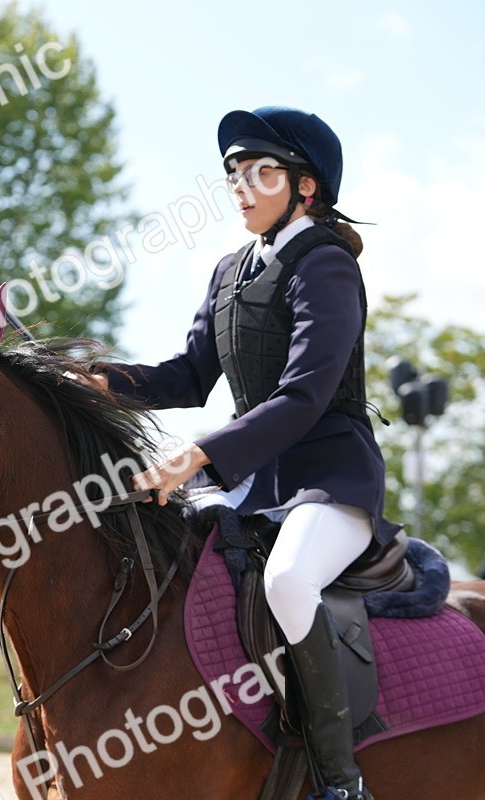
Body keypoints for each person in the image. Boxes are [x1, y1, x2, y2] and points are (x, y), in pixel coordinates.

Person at [90, 106, 394, 800]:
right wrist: (99, 381)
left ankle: (341, 780)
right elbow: (188, 378)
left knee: (288, 581)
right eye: (234, 173)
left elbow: (306, 394)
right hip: (252, 479)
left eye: (261, 172)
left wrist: (196, 458)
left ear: (305, 188)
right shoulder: (231, 270)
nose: (241, 185)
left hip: (327, 480)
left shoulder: (326, 264)